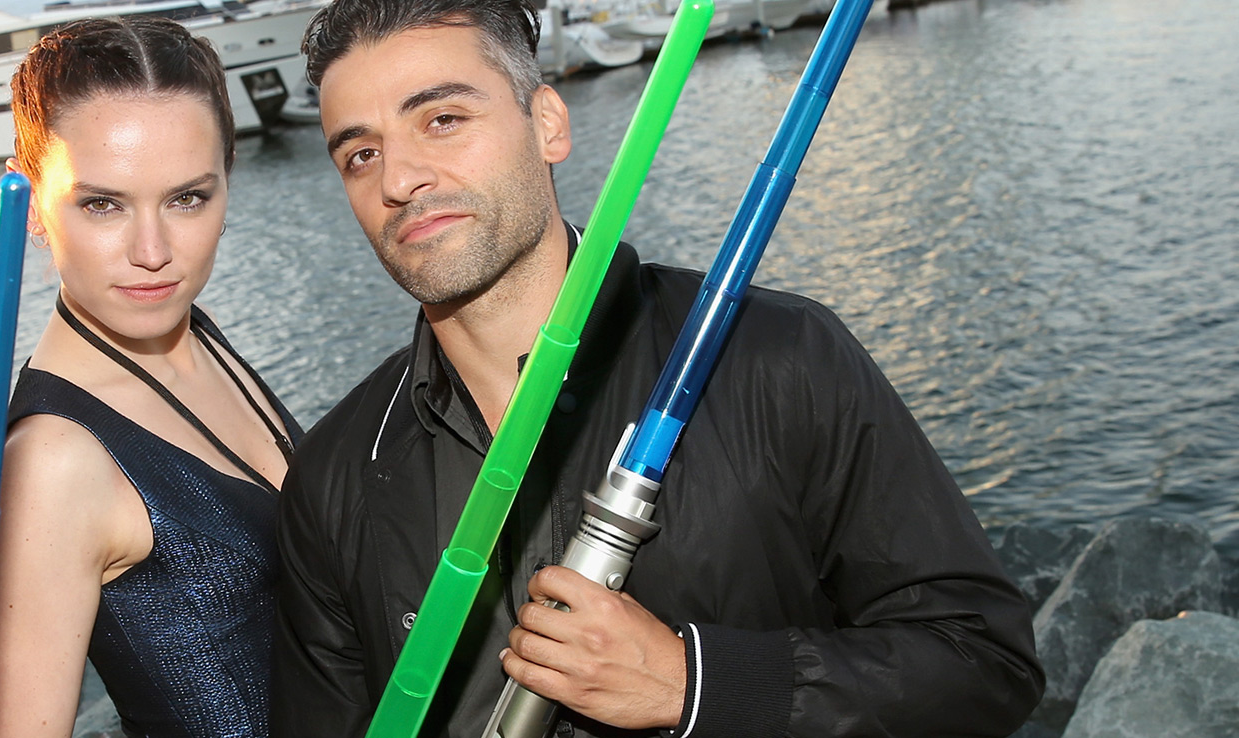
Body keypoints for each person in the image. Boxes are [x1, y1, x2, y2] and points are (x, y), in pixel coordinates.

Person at [271, 0, 1045, 736]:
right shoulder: (337, 471)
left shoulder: (776, 357)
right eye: (361, 153)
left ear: (546, 123)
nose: (399, 181)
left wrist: (693, 683)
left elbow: (985, 665)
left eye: (442, 119)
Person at [0, 16, 301, 738]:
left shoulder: (193, 336)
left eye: (187, 198)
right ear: (30, 201)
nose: (153, 252)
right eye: (102, 204)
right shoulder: (54, 462)